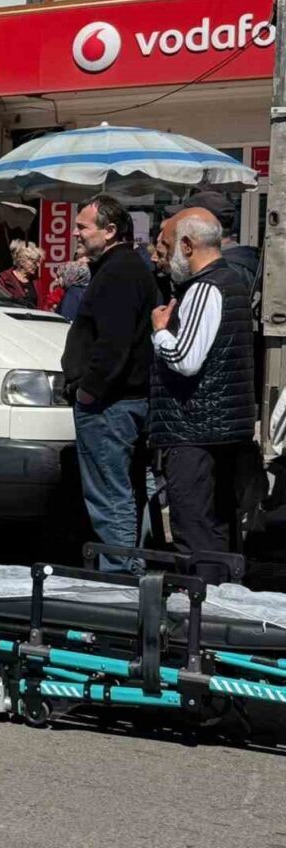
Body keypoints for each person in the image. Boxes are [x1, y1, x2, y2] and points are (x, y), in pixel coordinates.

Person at [150, 207, 256, 583]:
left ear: (187, 245)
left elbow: (185, 359)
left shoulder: (205, 288)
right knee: (218, 528)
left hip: (195, 431)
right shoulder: (231, 283)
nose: (161, 255)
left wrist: (160, 331)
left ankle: (202, 605)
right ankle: (220, 601)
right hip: (219, 430)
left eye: (166, 245)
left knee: (196, 530)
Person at [62, 195, 158, 572]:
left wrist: (90, 390)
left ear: (110, 230)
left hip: (110, 404)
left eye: (83, 227)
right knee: (126, 491)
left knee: (110, 496)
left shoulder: (119, 271)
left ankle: (121, 577)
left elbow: (113, 342)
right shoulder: (123, 267)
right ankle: (130, 571)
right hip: (120, 400)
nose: (76, 233)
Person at [0, 240, 44, 308]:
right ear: (22, 262)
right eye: (34, 262)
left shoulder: (35, 281)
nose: (38, 265)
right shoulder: (4, 279)